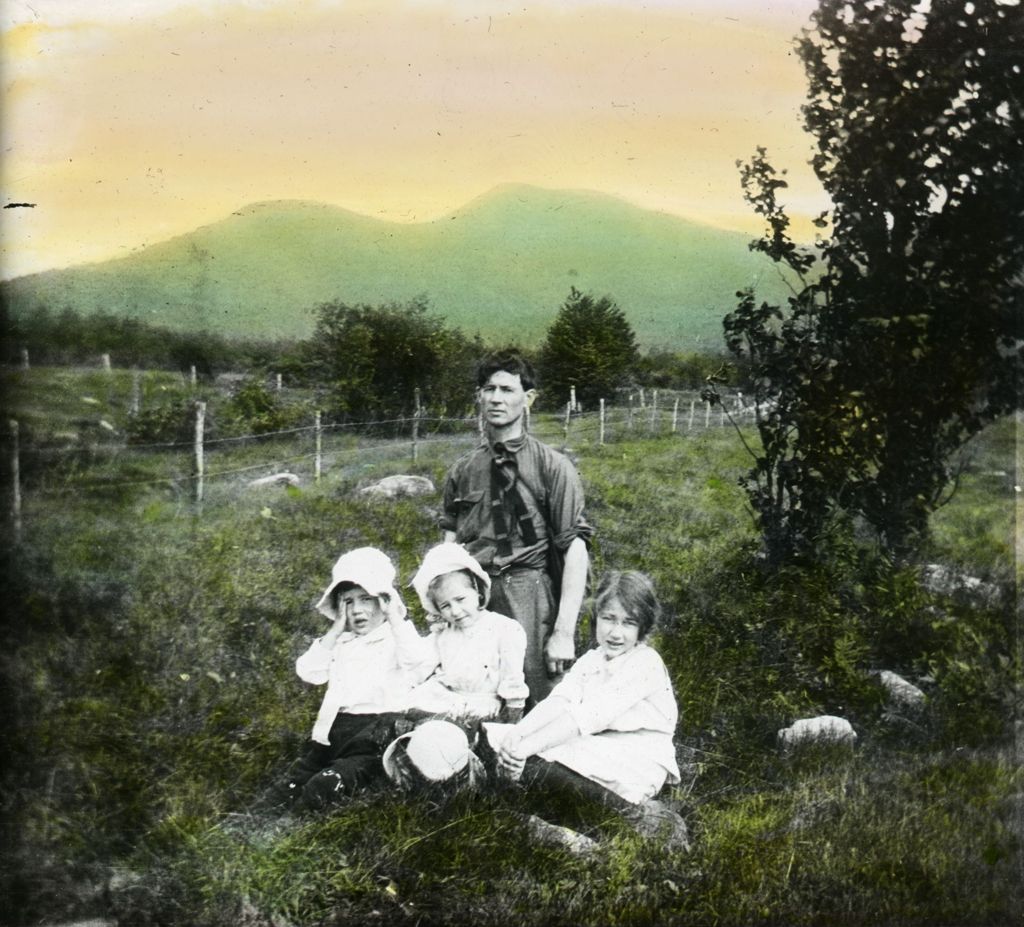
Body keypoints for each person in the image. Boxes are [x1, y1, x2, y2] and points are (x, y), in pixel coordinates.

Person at [480, 571, 688, 848]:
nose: (615, 632)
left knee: (536, 767)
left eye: (629, 623)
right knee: (493, 738)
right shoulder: (592, 659)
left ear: (643, 627)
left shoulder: (645, 662)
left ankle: (637, 819)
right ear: (597, 616)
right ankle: (540, 804)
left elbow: (586, 717)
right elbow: (560, 701)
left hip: (635, 756)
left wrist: (525, 750)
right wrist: (518, 737)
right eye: (608, 619)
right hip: (594, 743)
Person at [440, 351, 593, 703]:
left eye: (507, 389)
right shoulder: (462, 470)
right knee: (469, 697)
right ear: (479, 396)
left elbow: (575, 548)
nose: (496, 398)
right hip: (473, 598)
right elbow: (448, 547)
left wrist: (563, 632)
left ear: (529, 398)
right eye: (488, 389)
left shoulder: (553, 466)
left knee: (537, 700)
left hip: (529, 594)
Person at [259, 546, 432, 811]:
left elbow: (419, 661)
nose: (357, 610)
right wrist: (335, 630)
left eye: (366, 599)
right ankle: (254, 821)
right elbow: (309, 672)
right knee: (288, 785)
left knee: (327, 784)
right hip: (334, 733)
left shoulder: (394, 638)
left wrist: (395, 619)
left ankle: (293, 824)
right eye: (348, 602)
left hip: (375, 732)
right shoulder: (341, 642)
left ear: (383, 602)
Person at [405, 542, 530, 727]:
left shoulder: (504, 628)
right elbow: (420, 664)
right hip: (447, 697)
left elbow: (513, 677)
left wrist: (512, 713)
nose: (455, 611)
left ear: (478, 593)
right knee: (408, 708)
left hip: (480, 703)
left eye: (460, 599)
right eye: (445, 606)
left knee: (450, 728)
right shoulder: (445, 633)